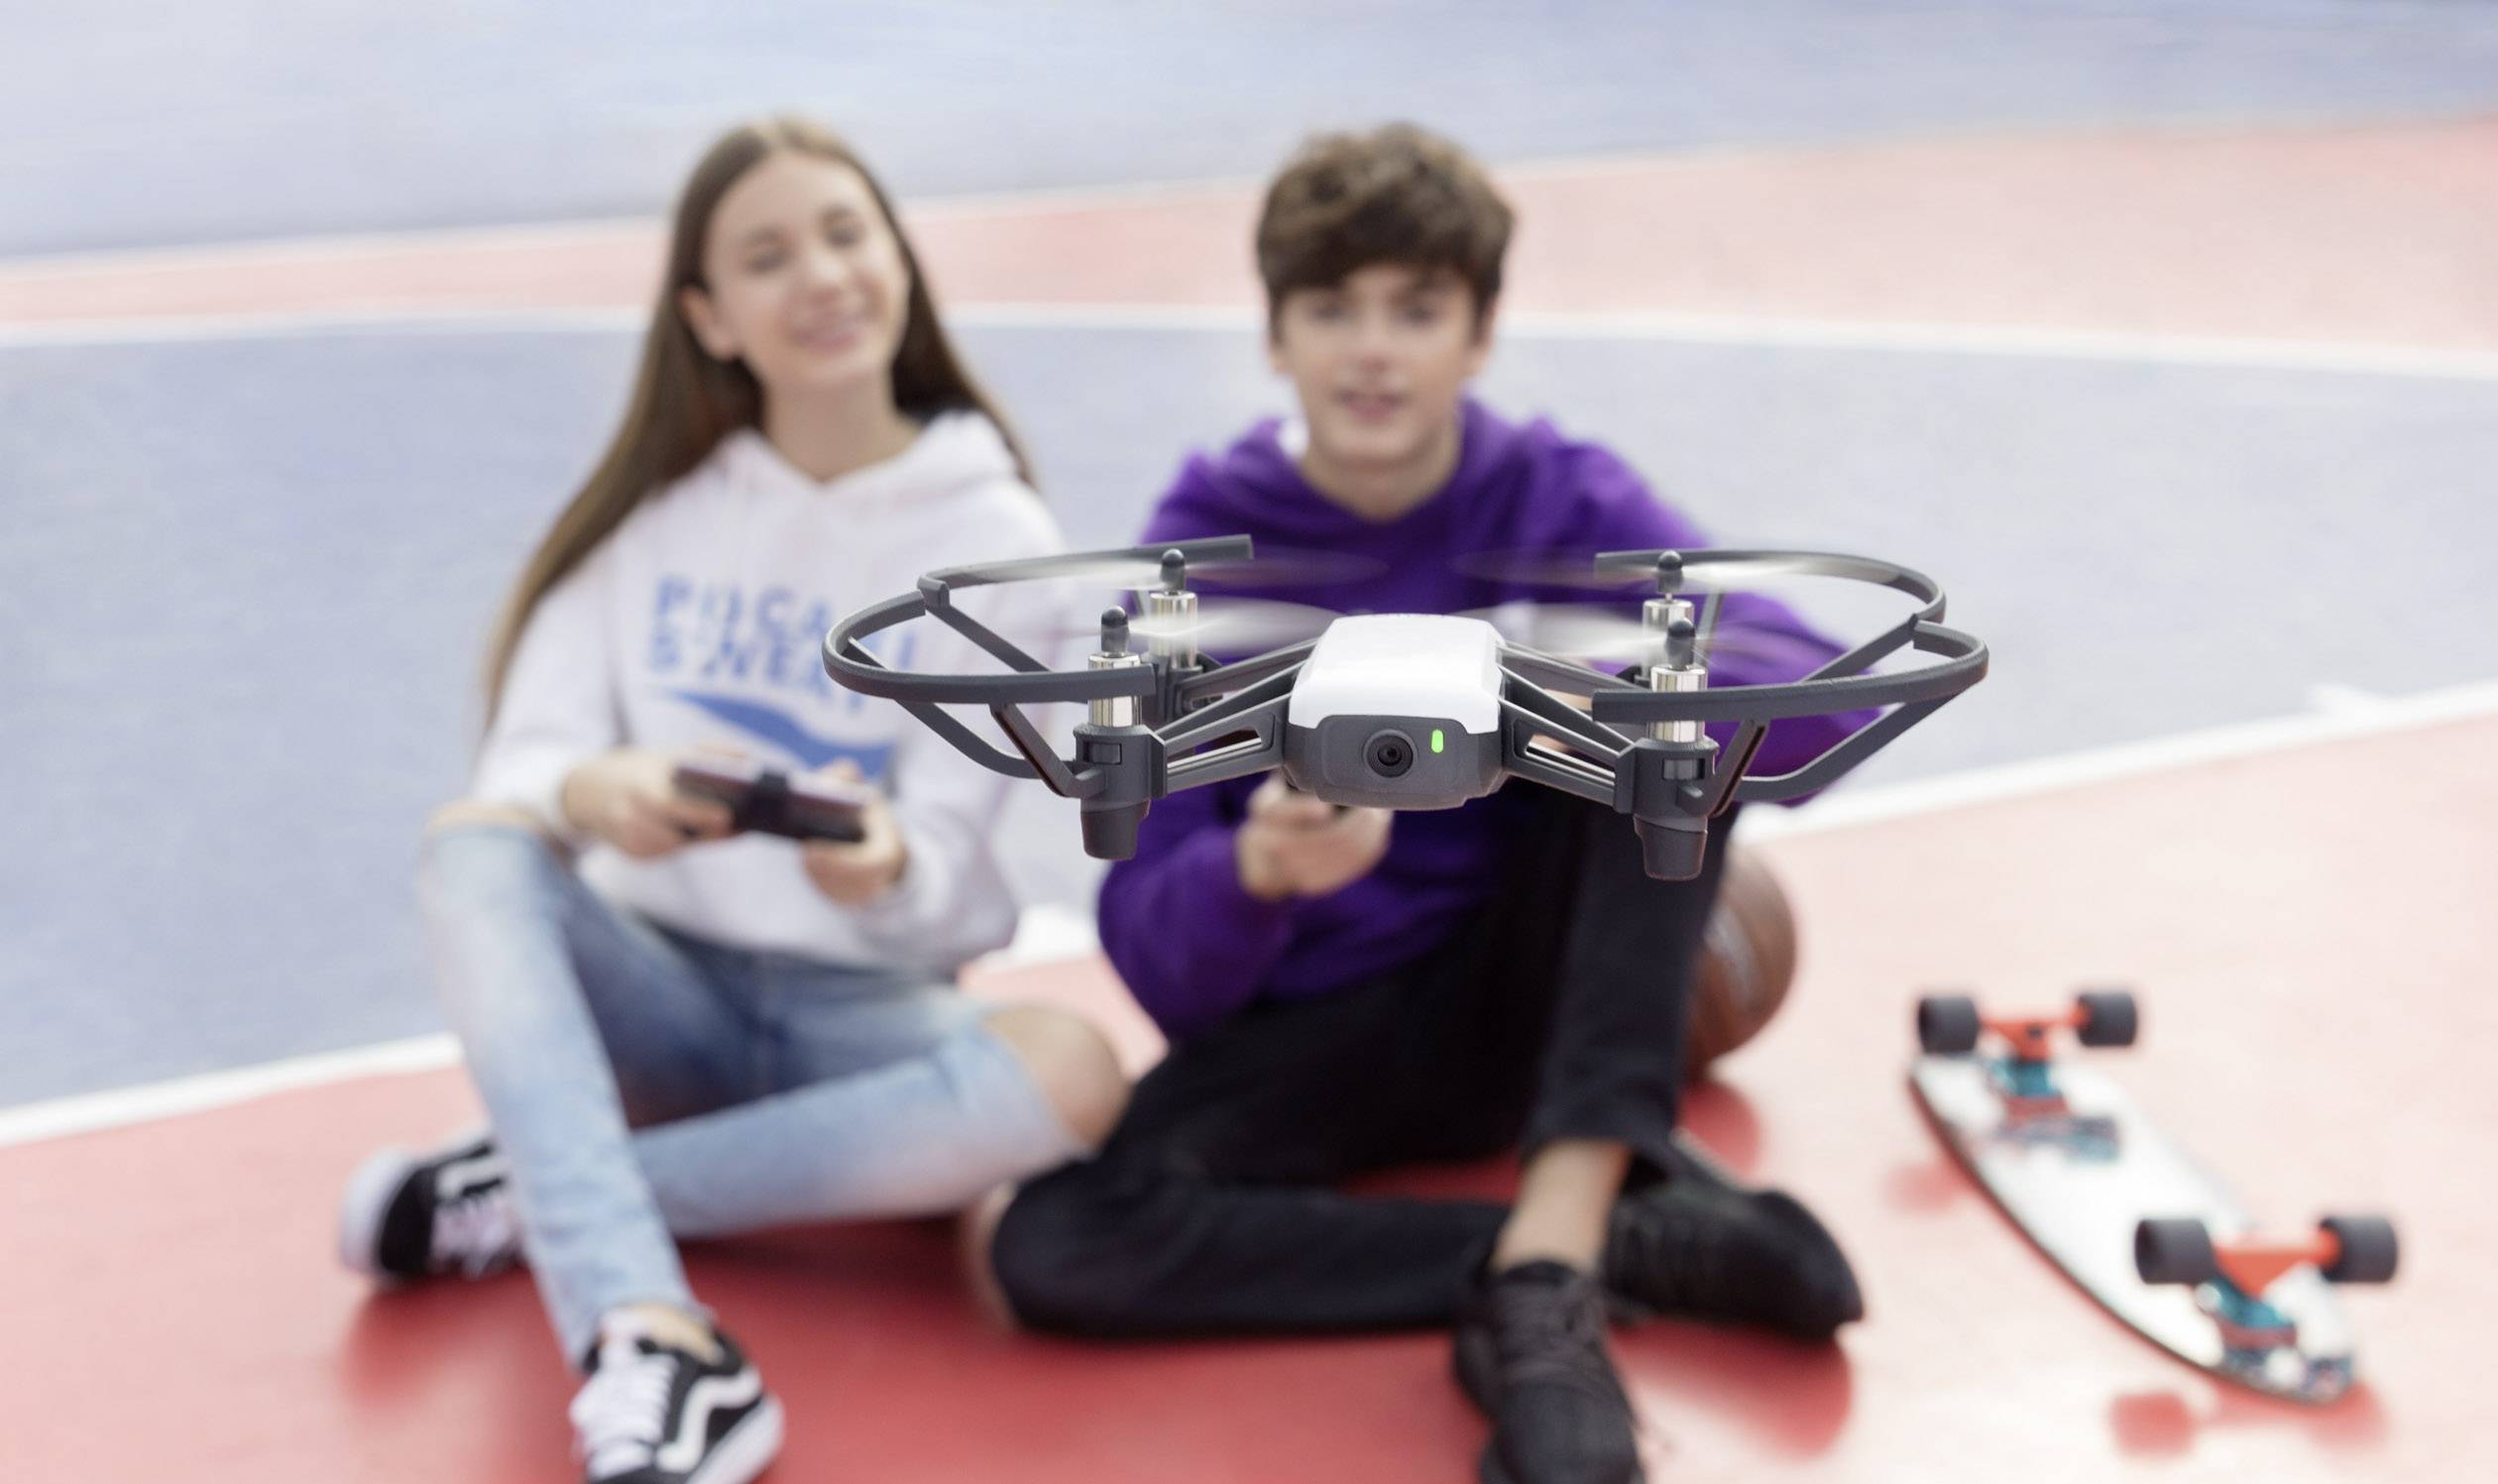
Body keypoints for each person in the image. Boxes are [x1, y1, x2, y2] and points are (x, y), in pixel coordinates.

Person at [982, 123, 1869, 1484]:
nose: (1373, 351)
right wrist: (1257, 875)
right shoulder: (1201, 555)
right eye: (1333, 309)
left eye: (1416, 309)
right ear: (1275, 336)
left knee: (1666, 730)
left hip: (1513, 1000)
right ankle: (1602, 1242)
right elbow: (1161, 963)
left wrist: (1546, 703)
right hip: (1319, 1037)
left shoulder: (1553, 496)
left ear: (1479, 334)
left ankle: (1551, 1277)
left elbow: (1811, 685)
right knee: (1055, 1244)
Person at [334, 115, 1127, 1484]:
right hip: (657, 1003)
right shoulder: (657, 518)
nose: (821, 277)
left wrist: (885, 869)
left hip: (862, 1023)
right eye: (767, 258)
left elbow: (958, 877)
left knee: (1074, 1070)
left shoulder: (998, 543)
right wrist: (597, 788)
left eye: (845, 234)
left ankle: (542, 1192)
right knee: (473, 847)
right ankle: (650, 1331)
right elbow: (524, 775)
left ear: (898, 260)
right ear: (708, 316)